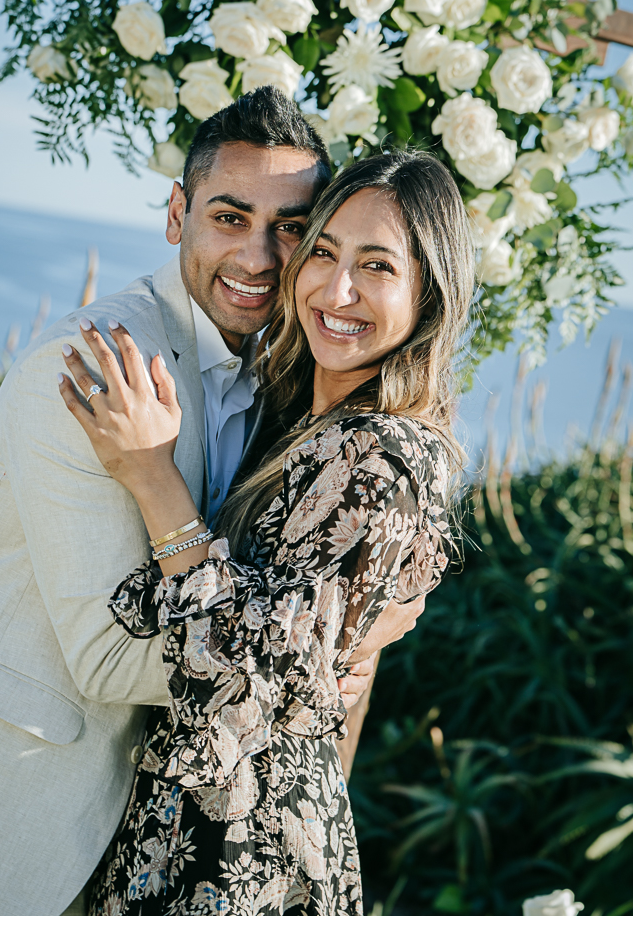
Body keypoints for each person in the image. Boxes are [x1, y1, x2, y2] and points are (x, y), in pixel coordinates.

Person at [0, 88, 414, 917]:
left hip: (148, 838)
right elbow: (107, 659)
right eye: (230, 217)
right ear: (176, 215)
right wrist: (313, 659)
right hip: (12, 806)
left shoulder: (277, 376)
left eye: (291, 228)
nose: (260, 257)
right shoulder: (91, 371)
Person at [57, 149, 475, 915]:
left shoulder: (386, 453)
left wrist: (153, 479)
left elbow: (241, 683)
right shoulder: (293, 418)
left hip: (248, 854)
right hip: (183, 823)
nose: (336, 288)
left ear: (428, 295)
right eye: (322, 250)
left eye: (377, 267)